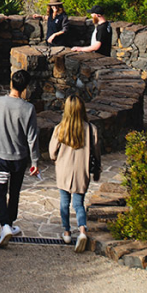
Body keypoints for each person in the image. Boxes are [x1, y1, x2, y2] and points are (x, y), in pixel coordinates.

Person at [0, 73, 40, 249]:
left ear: (11, 83)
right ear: (26, 87)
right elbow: (32, 138)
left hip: (0, 156)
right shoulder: (28, 108)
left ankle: (5, 225)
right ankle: (10, 223)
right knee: (14, 191)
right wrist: (35, 161)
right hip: (19, 158)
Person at [49, 95, 100, 252]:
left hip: (64, 171)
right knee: (78, 204)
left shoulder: (60, 128)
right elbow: (96, 152)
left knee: (64, 202)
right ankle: (83, 230)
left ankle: (66, 232)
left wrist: (57, 159)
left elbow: (52, 152)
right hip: (81, 171)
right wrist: (97, 169)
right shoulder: (91, 129)